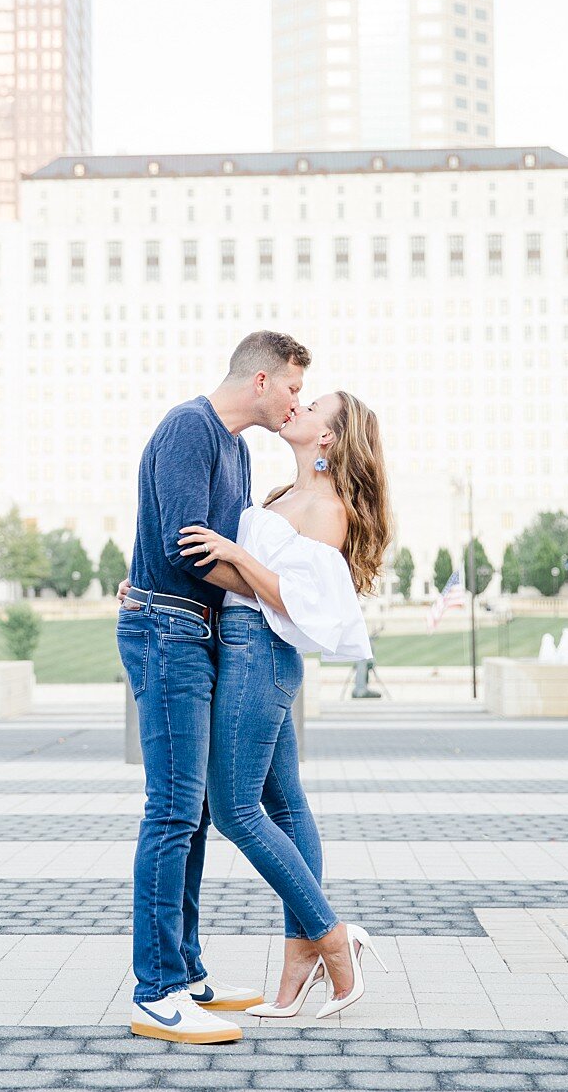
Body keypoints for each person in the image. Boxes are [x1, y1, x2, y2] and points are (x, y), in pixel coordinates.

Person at [118, 330, 311, 1044]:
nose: (296, 402)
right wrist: (272, 596)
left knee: (193, 814)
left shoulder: (236, 448)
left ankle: (186, 971)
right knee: (172, 812)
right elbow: (186, 546)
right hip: (167, 633)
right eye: (293, 386)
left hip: (191, 631)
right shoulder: (189, 427)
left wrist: (253, 587)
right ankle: (155, 991)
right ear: (261, 381)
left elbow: (212, 549)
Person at [176, 391, 393, 1019]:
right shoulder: (280, 496)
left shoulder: (328, 509)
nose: (296, 408)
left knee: (235, 810)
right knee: (285, 804)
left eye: (312, 406)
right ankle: (298, 962)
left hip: (260, 652)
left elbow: (301, 601)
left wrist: (238, 553)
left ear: (329, 438)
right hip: (243, 643)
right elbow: (241, 580)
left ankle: (330, 935)